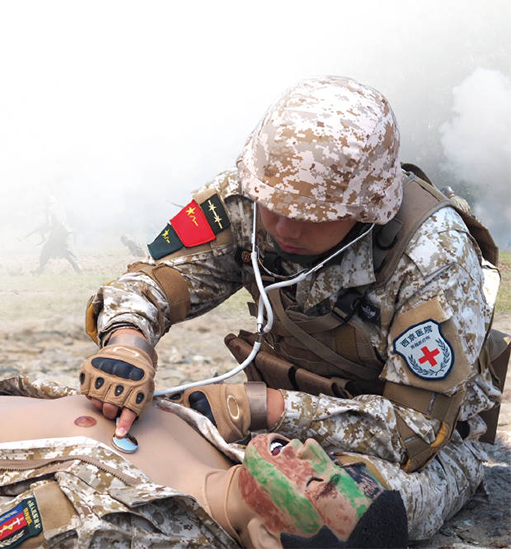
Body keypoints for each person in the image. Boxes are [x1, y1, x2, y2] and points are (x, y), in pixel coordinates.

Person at [79, 76, 508, 540]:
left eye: (309, 215)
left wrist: (260, 408)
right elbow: (156, 282)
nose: (282, 227)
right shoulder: (251, 197)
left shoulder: (433, 255)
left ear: (368, 206)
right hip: (270, 425)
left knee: (337, 512)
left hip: (413, 448)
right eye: (272, 206)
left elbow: (415, 433)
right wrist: (128, 342)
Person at [0, 373, 408, 548]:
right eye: (331, 463)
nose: (307, 455)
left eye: (314, 484)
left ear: (266, 537)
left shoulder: (138, 529)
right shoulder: (223, 450)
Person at [33, 195, 82, 274]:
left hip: (60, 234)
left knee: (49, 251)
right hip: (63, 234)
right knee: (49, 250)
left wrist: (43, 231)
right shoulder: (59, 209)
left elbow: (49, 225)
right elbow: (57, 222)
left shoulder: (48, 210)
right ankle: (40, 269)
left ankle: (79, 270)